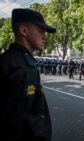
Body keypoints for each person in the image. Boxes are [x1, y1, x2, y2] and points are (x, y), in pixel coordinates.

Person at [0, 8, 56, 141]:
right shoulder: (24, 67)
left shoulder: (6, 59)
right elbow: (18, 121)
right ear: (24, 30)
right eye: (41, 31)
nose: (45, 37)